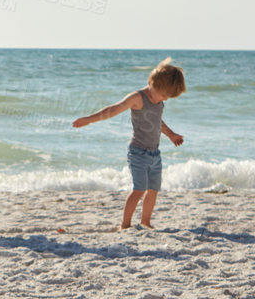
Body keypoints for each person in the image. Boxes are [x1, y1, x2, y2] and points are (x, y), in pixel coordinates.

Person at [72, 58, 187, 229]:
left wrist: (171, 134)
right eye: (164, 95)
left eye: (169, 97)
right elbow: (113, 109)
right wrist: (89, 120)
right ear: (154, 84)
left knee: (153, 191)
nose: (166, 99)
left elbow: (156, 121)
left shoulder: (159, 101)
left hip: (155, 154)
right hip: (138, 153)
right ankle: (125, 225)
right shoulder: (137, 98)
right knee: (139, 189)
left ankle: (145, 222)